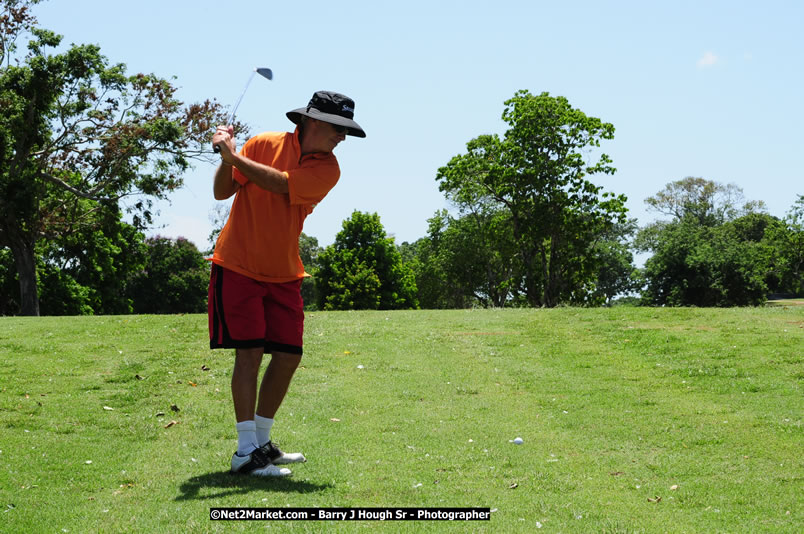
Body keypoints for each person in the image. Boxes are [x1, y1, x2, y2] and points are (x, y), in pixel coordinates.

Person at [209, 91, 366, 476]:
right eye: (337, 127)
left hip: (283, 272)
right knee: (249, 353)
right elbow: (222, 191)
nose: (342, 137)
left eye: (346, 131)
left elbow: (280, 183)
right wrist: (226, 157)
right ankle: (245, 451)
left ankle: (262, 443)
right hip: (238, 264)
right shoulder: (263, 144)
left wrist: (234, 156)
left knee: (288, 355)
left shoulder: (328, 168)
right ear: (311, 120)